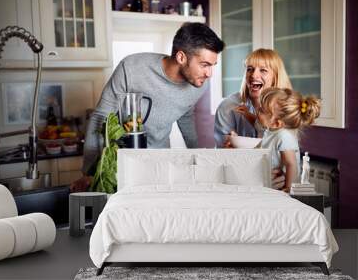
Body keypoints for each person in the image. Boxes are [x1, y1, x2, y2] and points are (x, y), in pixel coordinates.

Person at [71, 22, 224, 192]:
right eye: (205, 65)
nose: (209, 74)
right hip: (119, 164)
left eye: (212, 66)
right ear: (181, 57)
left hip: (160, 165)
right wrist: (89, 171)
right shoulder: (132, 68)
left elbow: (185, 114)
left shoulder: (198, 84)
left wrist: (198, 158)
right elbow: (101, 117)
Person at [240, 87, 321, 192]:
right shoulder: (271, 130)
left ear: (277, 123)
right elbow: (258, 127)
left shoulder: (284, 136)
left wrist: (288, 188)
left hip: (280, 188)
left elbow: (291, 164)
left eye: (262, 110)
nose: (257, 111)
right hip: (269, 184)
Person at [214, 48, 292, 148]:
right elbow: (221, 152)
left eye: (263, 70)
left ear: (275, 77)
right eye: (249, 69)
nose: (254, 75)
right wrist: (229, 146)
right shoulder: (227, 107)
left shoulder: (287, 107)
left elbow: (289, 154)